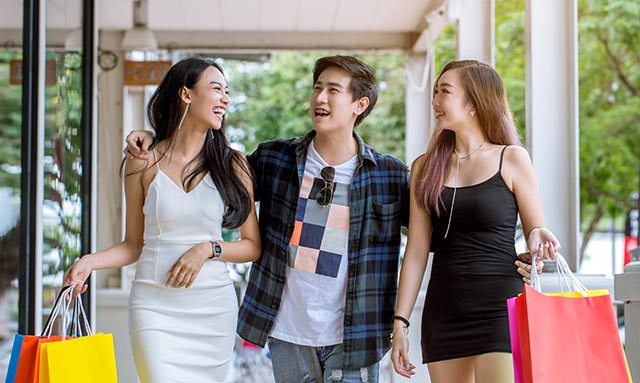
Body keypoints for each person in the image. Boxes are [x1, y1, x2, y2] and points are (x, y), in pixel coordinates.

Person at [125, 55, 542, 383]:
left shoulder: (391, 174)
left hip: (356, 335)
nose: (320, 98)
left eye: (334, 91)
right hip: (288, 334)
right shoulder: (271, 159)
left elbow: (437, 237)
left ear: (359, 105)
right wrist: (151, 138)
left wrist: (515, 252)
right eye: (317, 88)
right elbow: (207, 177)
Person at [64, 57, 261, 382]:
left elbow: (252, 246)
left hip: (212, 309)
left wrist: (208, 248)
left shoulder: (233, 165)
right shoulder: (141, 162)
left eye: (227, 91)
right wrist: (89, 261)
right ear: (186, 94)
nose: (225, 99)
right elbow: (133, 245)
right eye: (216, 89)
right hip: (154, 307)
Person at [390, 60, 560, 383]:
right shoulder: (424, 168)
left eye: (444, 92)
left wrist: (539, 241)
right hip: (444, 312)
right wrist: (400, 323)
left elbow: (535, 228)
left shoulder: (511, 157)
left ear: (473, 102)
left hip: (500, 308)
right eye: (435, 91)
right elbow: (415, 252)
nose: (434, 101)